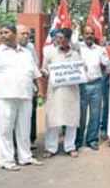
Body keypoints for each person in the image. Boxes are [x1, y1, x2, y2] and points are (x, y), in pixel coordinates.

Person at [0, 24, 43, 171]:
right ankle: (7, 161)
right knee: (5, 129)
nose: (2, 35)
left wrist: (40, 91)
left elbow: (35, 73)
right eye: (1, 33)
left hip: (25, 95)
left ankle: (25, 157)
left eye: (6, 32)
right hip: (4, 96)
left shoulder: (26, 53)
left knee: (24, 129)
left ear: (15, 34)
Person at [42, 28, 81, 158]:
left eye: (61, 38)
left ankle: (70, 146)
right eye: (57, 37)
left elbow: (81, 70)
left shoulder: (75, 54)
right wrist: (44, 72)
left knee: (71, 120)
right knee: (53, 119)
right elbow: (44, 68)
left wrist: (81, 72)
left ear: (68, 40)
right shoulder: (50, 53)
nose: (58, 40)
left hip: (71, 92)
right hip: (55, 92)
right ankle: (51, 147)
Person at [75, 26, 109, 151]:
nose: (89, 35)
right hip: (82, 85)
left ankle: (92, 139)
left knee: (95, 114)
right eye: (86, 33)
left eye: (91, 33)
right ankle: (78, 140)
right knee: (81, 115)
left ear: (94, 35)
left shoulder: (100, 49)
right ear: (83, 34)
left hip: (97, 84)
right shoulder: (77, 48)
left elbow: (106, 64)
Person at [17, 25, 40, 150]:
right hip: (15, 89)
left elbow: (35, 66)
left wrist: (37, 88)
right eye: (23, 34)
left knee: (31, 114)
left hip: (30, 87)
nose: (26, 36)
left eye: (28, 34)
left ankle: (31, 139)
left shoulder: (30, 48)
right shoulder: (9, 49)